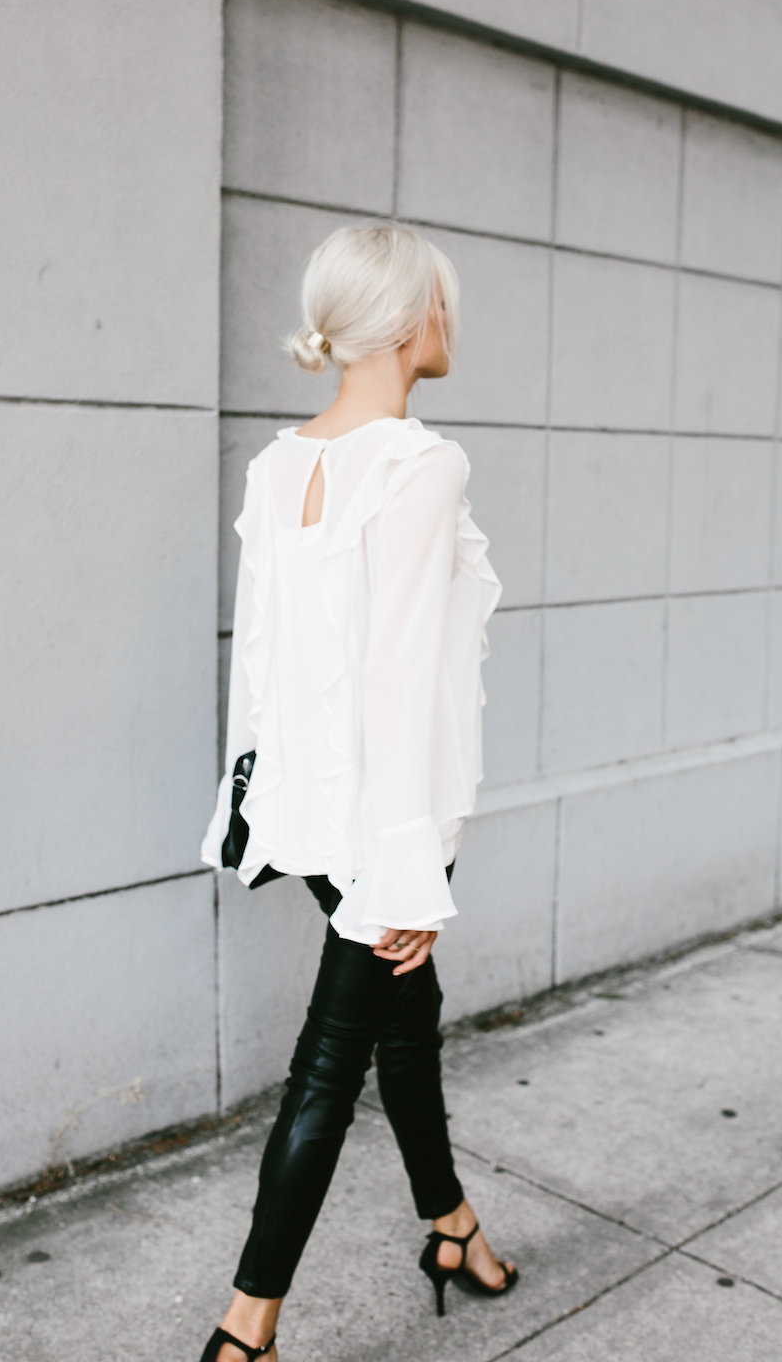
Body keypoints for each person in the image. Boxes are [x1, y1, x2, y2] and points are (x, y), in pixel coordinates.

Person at [197, 222, 512, 1362]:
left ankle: (452, 1228)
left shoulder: (279, 464)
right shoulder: (422, 464)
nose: (452, 320)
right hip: (389, 828)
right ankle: (246, 1331)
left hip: (313, 815)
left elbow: (258, 659)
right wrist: (410, 873)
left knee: (405, 1025)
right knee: (332, 1065)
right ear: (407, 321)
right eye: (442, 301)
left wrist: (246, 807)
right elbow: (397, 680)